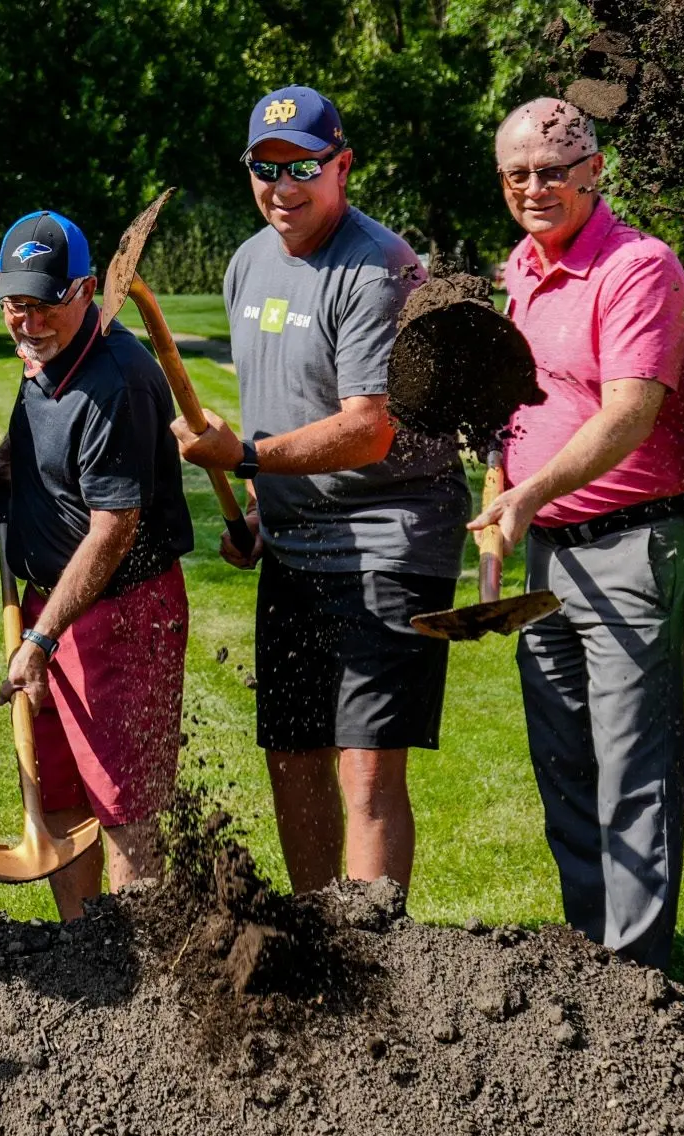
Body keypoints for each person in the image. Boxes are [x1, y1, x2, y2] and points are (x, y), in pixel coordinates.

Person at [170, 86, 462, 897]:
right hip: (295, 546)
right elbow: (289, 404)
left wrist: (249, 457)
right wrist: (263, 512)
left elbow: (369, 428)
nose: (282, 186)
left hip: (387, 542)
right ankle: (314, 936)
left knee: (364, 769)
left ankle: (377, 954)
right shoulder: (246, 262)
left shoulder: (378, 270)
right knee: (293, 756)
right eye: (265, 168)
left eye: (302, 165)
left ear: (341, 165)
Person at [468, 100, 684, 966]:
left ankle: (637, 979)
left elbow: (629, 416)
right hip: (546, 548)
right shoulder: (521, 271)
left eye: (552, 171)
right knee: (563, 762)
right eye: (516, 174)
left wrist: (527, 493)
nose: (535, 187)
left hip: (634, 544)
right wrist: (500, 510)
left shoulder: (638, 267)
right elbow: (510, 408)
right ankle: (588, 957)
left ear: (594, 171)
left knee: (630, 763)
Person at [0, 211, 195, 919]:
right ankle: (84, 951)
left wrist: (41, 640)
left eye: (46, 302)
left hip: (123, 614)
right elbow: (43, 448)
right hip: (59, 606)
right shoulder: (42, 358)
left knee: (122, 806)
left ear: (84, 290)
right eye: (16, 303)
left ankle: (144, 966)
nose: (29, 319)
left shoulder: (116, 381)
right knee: (62, 792)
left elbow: (113, 528)